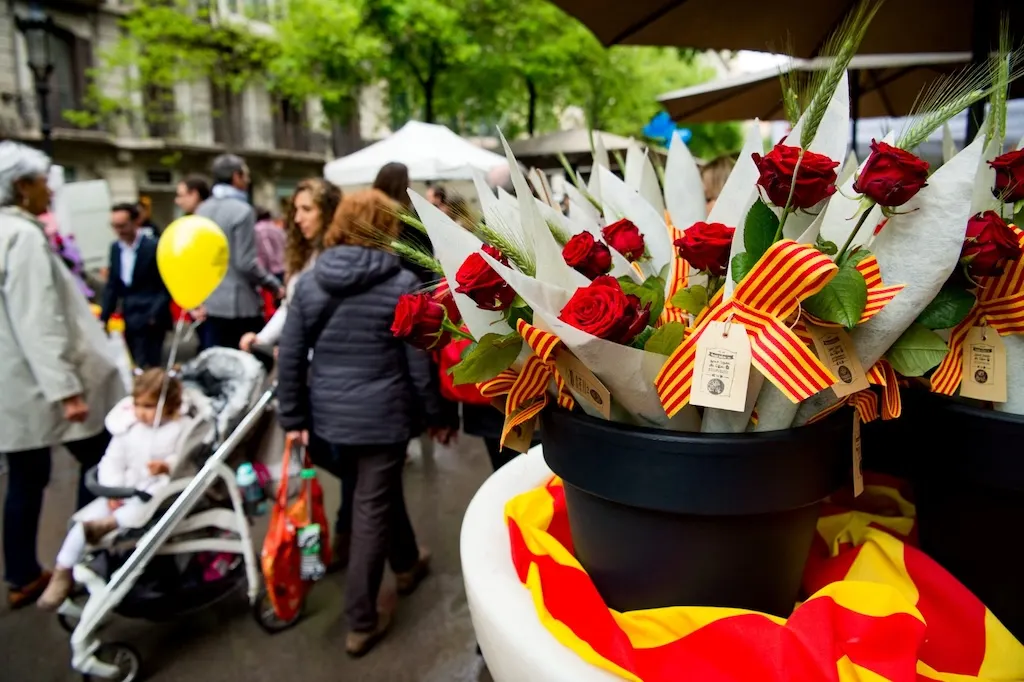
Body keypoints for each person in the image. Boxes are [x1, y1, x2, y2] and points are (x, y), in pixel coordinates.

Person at [276, 189, 454, 656]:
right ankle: (361, 618)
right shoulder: (398, 284)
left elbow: (291, 357)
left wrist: (293, 418)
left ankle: (409, 562)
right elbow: (419, 363)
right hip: (383, 417)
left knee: (376, 492)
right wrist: (436, 415)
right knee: (371, 507)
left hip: (330, 419)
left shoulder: (311, 284)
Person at [0, 141, 125, 608]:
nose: (50, 192)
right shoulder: (22, 236)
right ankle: (84, 548)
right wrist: (67, 389)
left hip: (18, 385)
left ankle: (22, 573)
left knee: (26, 476)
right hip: (43, 386)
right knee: (99, 460)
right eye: (42, 183)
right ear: (21, 187)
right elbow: (40, 320)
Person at [37, 368, 188, 610]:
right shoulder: (127, 428)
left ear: (169, 405)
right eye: (138, 405)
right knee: (81, 524)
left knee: (139, 509)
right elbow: (112, 460)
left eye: (149, 407)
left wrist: (167, 466)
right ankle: (62, 572)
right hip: (121, 492)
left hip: (156, 494)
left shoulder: (179, 429)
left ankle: (110, 525)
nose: (142, 413)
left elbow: (183, 459)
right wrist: (113, 490)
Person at [240, 179, 341, 351]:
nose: (298, 218)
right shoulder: (304, 254)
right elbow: (290, 307)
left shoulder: (342, 257)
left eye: (307, 209)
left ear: (328, 212)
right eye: (296, 210)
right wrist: (261, 339)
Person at [195, 154, 283, 350]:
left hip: (210, 302)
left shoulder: (202, 210)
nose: (248, 180)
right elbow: (245, 262)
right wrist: (274, 286)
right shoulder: (242, 210)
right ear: (236, 176)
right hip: (240, 305)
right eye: (246, 175)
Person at [100, 203, 172, 369]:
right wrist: (104, 316)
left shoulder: (153, 246)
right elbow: (113, 285)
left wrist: (156, 312)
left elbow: (164, 284)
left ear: (135, 222)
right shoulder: (115, 248)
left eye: (122, 225)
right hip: (130, 314)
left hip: (151, 314)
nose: (119, 231)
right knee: (135, 363)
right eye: (114, 226)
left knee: (152, 364)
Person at [254, 206, 286, 284]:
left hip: (269, 270)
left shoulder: (258, 229)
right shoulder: (276, 227)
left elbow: (267, 250)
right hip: (282, 267)